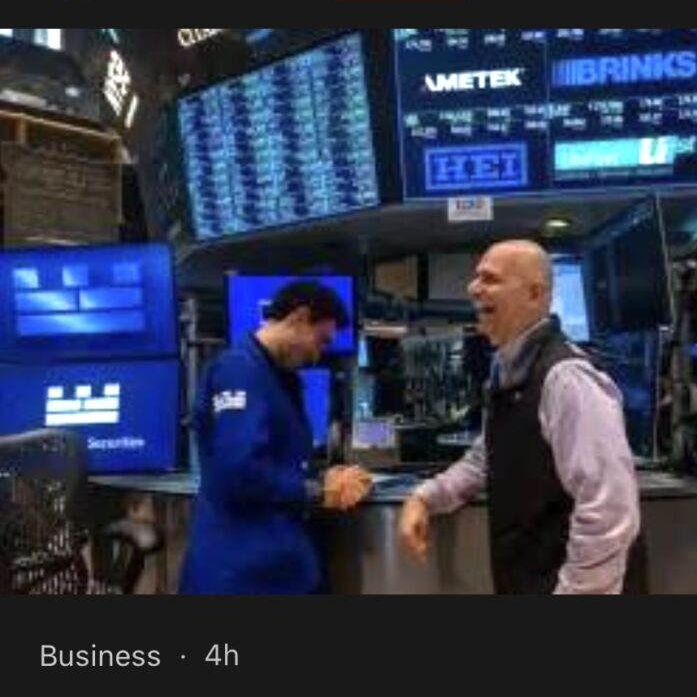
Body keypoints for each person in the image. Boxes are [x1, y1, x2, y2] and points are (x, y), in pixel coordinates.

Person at [397, 240, 641, 594]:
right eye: (476, 277)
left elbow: (610, 509)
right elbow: (486, 458)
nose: (472, 288)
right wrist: (425, 497)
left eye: (490, 279)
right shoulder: (507, 370)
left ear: (535, 294)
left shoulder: (567, 378)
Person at [179, 280, 372, 594]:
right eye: (320, 340)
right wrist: (317, 490)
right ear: (299, 318)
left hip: (278, 566)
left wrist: (324, 476)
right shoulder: (239, 370)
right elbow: (238, 472)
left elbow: (282, 461)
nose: (318, 355)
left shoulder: (280, 378)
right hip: (239, 573)